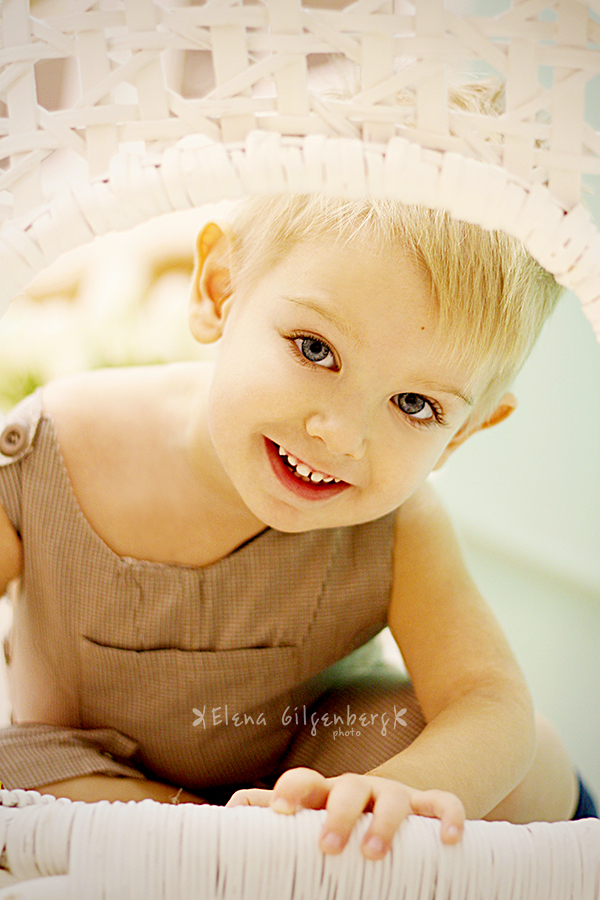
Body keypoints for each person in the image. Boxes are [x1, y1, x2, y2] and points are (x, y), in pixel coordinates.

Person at [0, 194, 595, 862]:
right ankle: (219, 838)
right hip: (97, 772)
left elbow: (485, 698)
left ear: (461, 435)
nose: (341, 435)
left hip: (309, 770)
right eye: (315, 350)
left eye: (414, 404)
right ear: (220, 290)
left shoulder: (400, 523)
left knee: (530, 761)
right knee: (13, 775)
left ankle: (287, 841)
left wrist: (397, 790)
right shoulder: (51, 450)